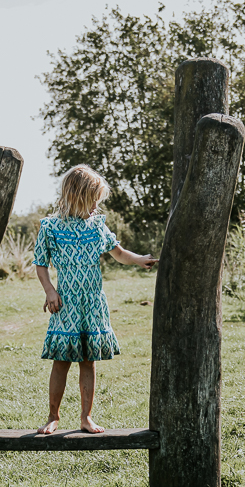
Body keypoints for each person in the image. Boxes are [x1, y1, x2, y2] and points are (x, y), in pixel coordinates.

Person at [33, 164, 158, 435]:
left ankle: (86, 417)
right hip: (65, 303)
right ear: (76, 196)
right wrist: (49, 291)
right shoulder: (50, 227)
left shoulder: (97, 227)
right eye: (93, 200)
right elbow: (40, 263)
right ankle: (53, 416)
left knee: (88, 360)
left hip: (92, 303)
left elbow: (120, 253)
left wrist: (139, 260)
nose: (96, 206)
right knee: (61, 360)